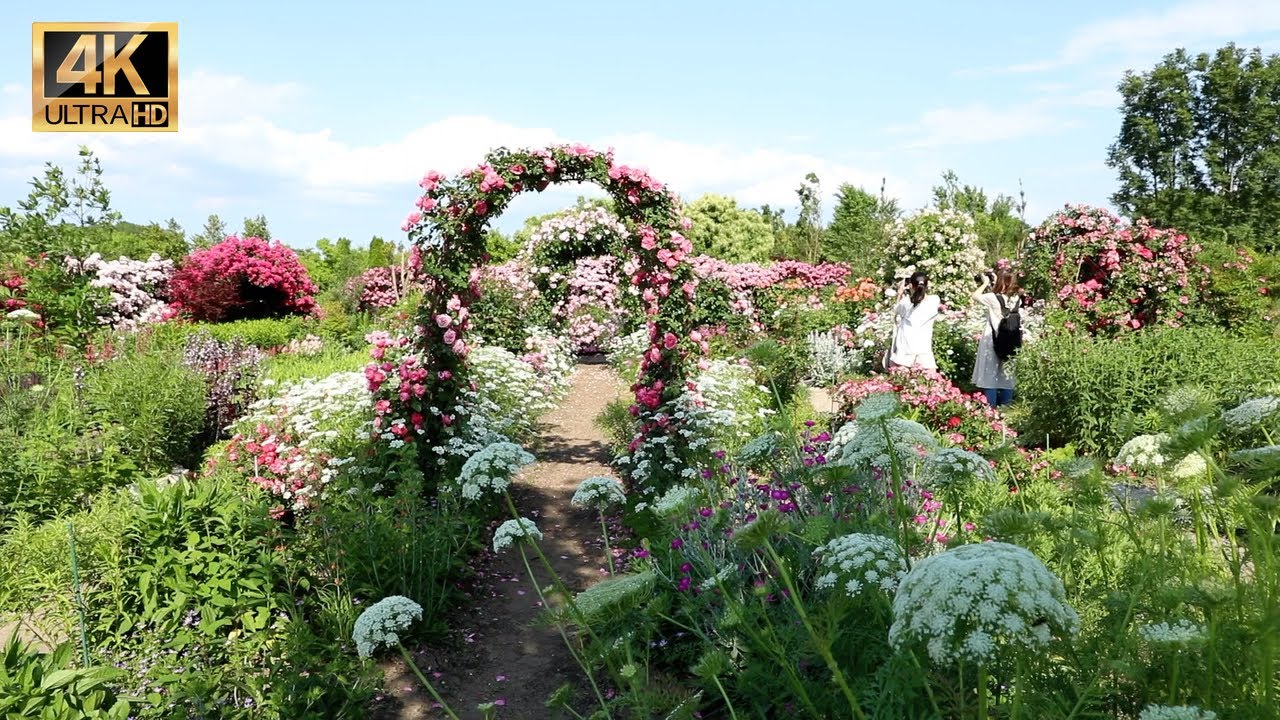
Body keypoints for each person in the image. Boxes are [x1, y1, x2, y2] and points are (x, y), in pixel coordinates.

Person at [971, 268, 1021, 407]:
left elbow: (975, 296)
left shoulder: (992, 298)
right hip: (1011, 341)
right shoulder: (1016, 299)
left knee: (989, 374)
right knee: (1007, 376)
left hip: (992, 339)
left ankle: (990, 409)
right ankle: (1006, 407)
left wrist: (985, 282)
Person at [887, 271, 941, 370]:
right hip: (924, 348)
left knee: (901, 379)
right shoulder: (934, 300)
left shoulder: (906, 302)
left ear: (910, 285)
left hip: (905, 348)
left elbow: (896, 311)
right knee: (929, 380)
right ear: (927, 285)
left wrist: (899, 294)